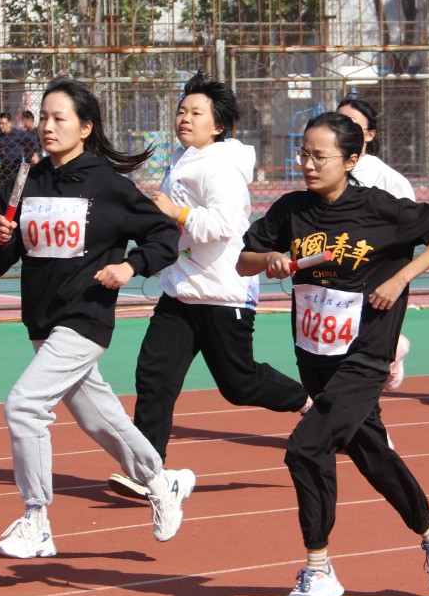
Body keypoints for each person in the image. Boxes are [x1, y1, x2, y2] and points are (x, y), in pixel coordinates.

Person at [238, 111, 429, 596]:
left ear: (351, 159)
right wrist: (269, 260)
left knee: (306, 447)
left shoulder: (380, 208)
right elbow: (243, 260)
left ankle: (318, 569)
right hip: (315, 353)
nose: (308, 164)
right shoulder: (292, 209)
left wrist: (400, 278)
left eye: (320, 156)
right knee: (371, 455)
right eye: (303, 154)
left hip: (366, 353)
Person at [0, 76, 195, 558]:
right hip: (42, 321)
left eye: (60, 118)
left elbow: (164, 236)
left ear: (85, 127)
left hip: (86, 317)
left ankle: (36, 519)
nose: (47, 127)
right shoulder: (24, 181)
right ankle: (162, 481)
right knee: (101, 419)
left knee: (24, 406)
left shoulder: (108, 186)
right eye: (43, 117)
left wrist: (130, 266)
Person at [107, 72, 310, 501]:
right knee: (154, 376)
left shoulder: (220, 166)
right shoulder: (181, 159)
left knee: (239, 384)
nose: (185, 118)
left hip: (223, 292)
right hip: (181, 292)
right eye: (182, 110)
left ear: (217, 125)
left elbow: (226, 225)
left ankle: (312, 405)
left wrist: (176, 213)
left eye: (196, 113)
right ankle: (149, 473)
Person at [335, 96, 414, 390]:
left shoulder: (388, 179)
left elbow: (412, 231)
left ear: (369, 135)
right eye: (337, 120)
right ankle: (394, 347)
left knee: (359, 361)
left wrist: (397, 278)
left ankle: (390, 349)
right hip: (332, 272)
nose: (342, 127)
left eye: (351, 123)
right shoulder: (324, 169)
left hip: (372, 275)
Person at [0, 111, 30, 191]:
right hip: (4, 167)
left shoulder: (18, 133)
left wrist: (32, 153)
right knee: (0, 192)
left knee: (17, 193)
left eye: (3, 123)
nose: (1, 126)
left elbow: (30, 141)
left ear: (10, 123)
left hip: (17, 168)